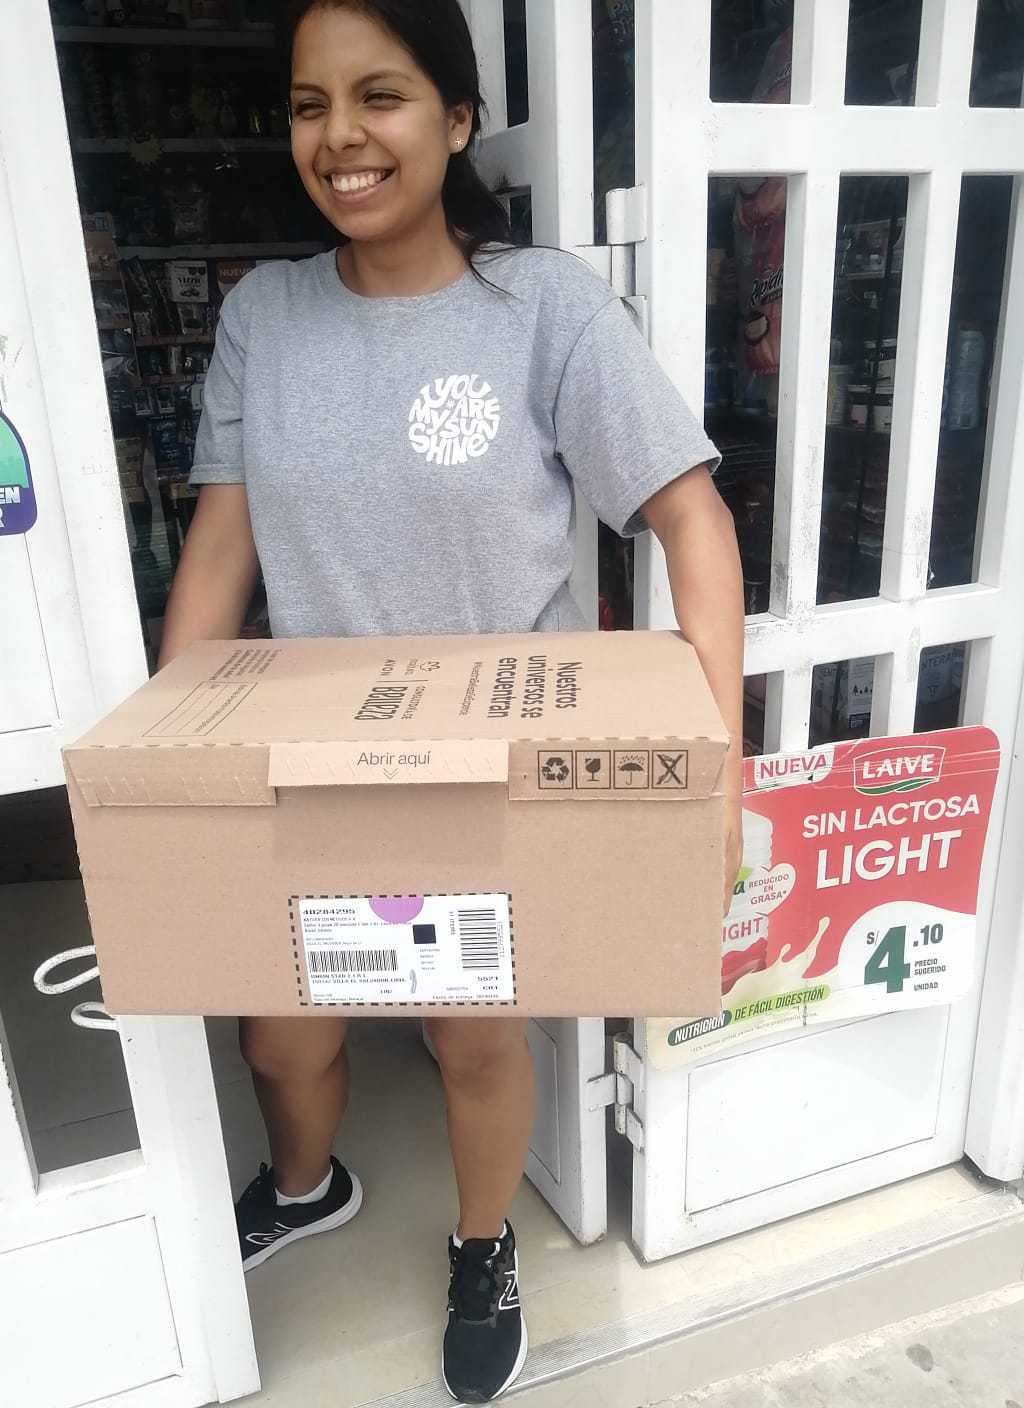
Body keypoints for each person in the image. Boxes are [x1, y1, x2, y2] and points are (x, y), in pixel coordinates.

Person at [159, 1, 744, 1400]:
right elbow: (222, 551)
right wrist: (170, 761)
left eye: (381, 96)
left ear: (457, 117)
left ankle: (484, 1247)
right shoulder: (262, 317)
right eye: (310, 106)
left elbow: (694, 519)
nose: (341, 137)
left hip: (489, 774)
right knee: (278, 1035)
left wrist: (715, 763)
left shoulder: (544, 309)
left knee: (472, 1034)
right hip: (310, 762)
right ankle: (307, 1186)